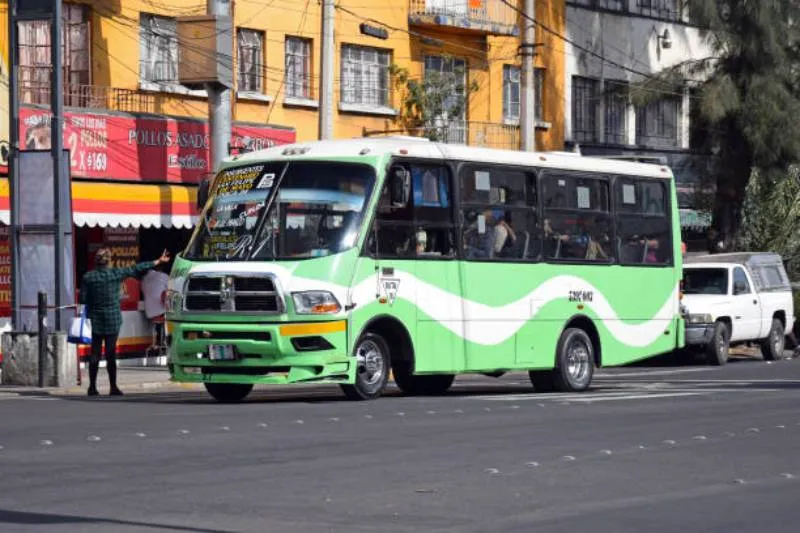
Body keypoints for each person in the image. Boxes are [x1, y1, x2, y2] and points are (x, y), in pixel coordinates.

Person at [80, 248, 171, 396]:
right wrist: (158, 261)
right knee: (110, 354)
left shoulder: (89, 277)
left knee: (94, 354)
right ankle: (113, 387)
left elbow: (84, 298)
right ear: (109, 261)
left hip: (96, 318)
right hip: (113, 319)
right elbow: (137, 267)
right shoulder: (116, 274)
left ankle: (92, 387)